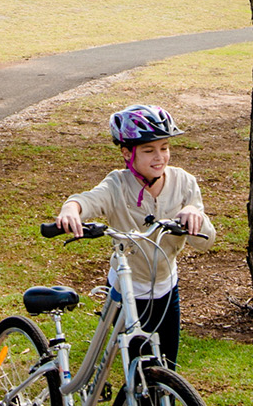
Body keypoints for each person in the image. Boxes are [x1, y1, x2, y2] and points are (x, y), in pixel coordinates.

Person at [55, 105, 214, 366]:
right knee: (138, 370)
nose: (160, 157)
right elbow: (88, 200)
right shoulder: (117, 184)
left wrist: (194, 215)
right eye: (149, 150)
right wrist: (71, 209)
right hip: (126, 290)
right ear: (127, 153)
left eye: (164, 148)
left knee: (166, 369)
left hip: (166, 288)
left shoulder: (184, 183)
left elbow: (205, 242)